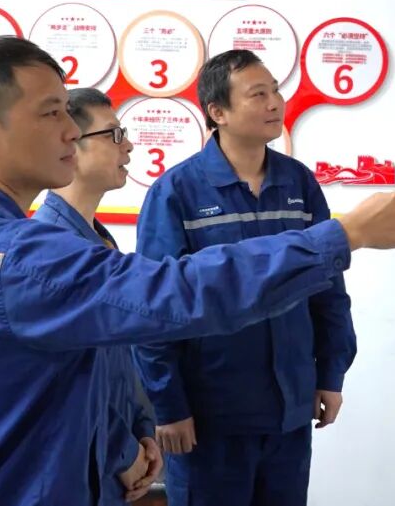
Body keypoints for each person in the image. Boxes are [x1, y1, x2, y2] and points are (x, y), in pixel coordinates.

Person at [0, 36, 395, 506]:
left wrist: (123, 445)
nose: (70, 131)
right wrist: (344, 235)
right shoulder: (20, 256)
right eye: (51, 113)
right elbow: (175, 292)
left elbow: (65, 382)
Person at [134, 50, 357, 506]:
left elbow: (328, 288)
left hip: (288, 413)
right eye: (258, 94)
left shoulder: (298, 183)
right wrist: (170, 406)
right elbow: (153, 308)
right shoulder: (176, 192)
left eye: (275, 90)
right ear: (218, 112)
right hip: (209, 418)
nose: (275, 102)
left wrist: (331, 373)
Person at [31, 87, 162, 504]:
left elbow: (116, 363)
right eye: (114, 134)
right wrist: (124, 452)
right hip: (77, 467)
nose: (129, 145)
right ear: (72, 143)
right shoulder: (51, 248)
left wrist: (142, 430)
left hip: (110, 459)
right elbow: (63, 388)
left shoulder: (98, 241)